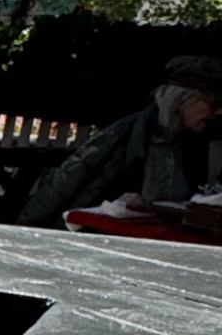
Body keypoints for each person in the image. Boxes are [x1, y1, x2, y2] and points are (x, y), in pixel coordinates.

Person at [18, 55, 222, 225]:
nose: (217, 112)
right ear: (181, 99)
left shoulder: (195, 143)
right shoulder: (128, 134)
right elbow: (68, 182)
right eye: (213, 103)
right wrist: (30, 229)